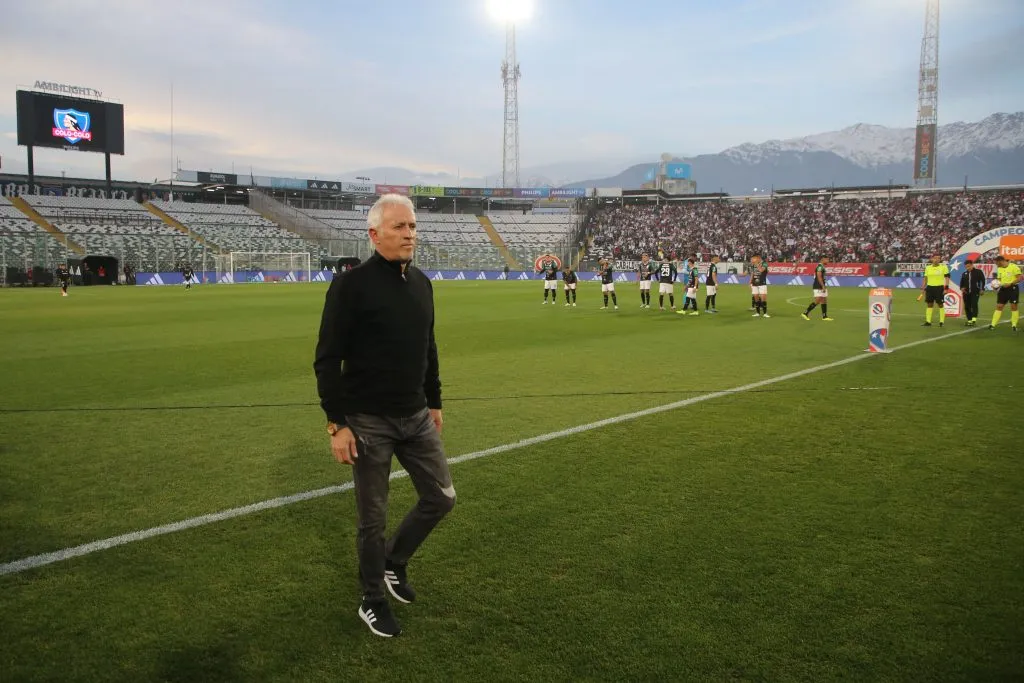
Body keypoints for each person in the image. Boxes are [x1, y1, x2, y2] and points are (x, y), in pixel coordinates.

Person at [313, 194, 455, 638]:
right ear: (374, 234)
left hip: (416, 415)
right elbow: (327, 358)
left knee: (442, 498)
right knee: (372, 520)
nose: (409, 234)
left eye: (412, 226)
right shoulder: (350, 286)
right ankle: (372, 599)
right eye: (399, 227)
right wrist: (337, 423)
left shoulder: (422, 283)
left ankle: (394, 561)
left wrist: (434, 401)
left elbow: (428, 347)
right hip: (368, 420)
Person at [989, 255, 1021, 332]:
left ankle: (1014, 325)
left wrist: (1010, 284)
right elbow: (999, 280)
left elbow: (1019, 278)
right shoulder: (999, 269)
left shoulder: (1013, 266)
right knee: (999, 306)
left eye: (997, 263)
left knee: (1013, 306)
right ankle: (992, 324)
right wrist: (995, 286)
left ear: (1001, 261)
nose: (996, 264)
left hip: (1013, 288)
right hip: (1003, 289)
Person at [920, 253, 950, 327]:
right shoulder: (928, 268)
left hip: (939, 288)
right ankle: (928, 321)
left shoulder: (944, 267)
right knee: (929, 304)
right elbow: (925, 278)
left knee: (940, 304)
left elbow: (947, 278)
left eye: (938, 258)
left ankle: (941, 321)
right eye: (935, 258)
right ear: (932, 259)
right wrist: (923, 287)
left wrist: (946, 288)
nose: (937, 259)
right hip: (930, 288)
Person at [802, 257, 834, 321]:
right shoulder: (820, 267)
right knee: (817, 301)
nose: (828, 261)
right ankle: (805, 313)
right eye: (827, 259)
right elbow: (819, 277)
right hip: (818, 286)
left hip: (821, 285)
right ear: (823, 260)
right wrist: (822, 286)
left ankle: (824, 316)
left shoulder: (822, 267)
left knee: (824, 300)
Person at [959, 260, 986, 327]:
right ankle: (969, 320)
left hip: (975, 292)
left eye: (968, 266)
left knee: (974, 304)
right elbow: (961, 283)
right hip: (966, 293)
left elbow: (982, 281)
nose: (967, 268)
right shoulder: (964, 273)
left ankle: (974, 320)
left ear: (972, 265)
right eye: (966, 267)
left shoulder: (978, 272)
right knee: (967, 306)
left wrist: (982, 289)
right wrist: (962, 288)